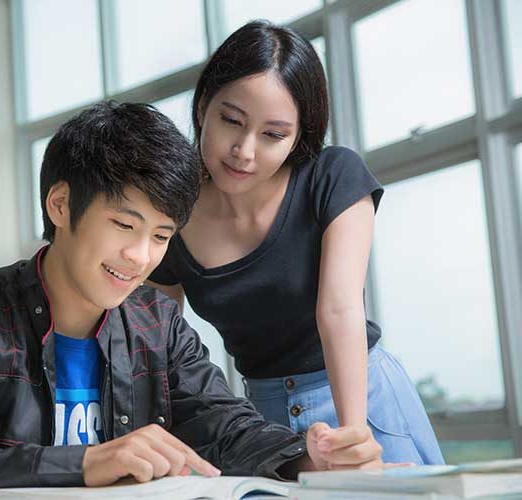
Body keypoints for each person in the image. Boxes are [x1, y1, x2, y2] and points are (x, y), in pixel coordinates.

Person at [0, 101, 383, 500]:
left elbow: (223, 424)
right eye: (124, 225)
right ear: (60, 205)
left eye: (161, 235)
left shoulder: (157, 322)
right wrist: (86, 463)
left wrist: (307, 458)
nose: (139, 256)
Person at [147, 20, 443, 465]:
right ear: (203, 104)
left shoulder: (331, 177)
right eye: (231, 120)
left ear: (298, 136)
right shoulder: (172, 210)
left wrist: (353, 435)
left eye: (273, 135)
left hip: (363, 404)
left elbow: (340, 310)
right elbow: (155, 343)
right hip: (262, 425)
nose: (244, 150)